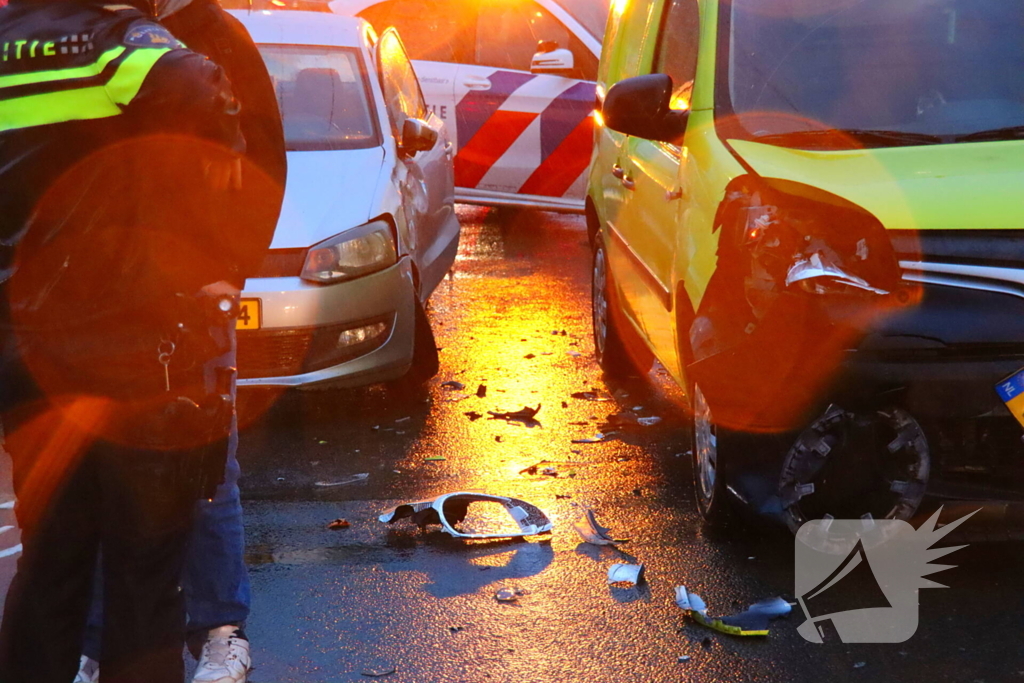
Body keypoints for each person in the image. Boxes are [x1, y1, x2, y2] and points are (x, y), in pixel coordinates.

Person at [0, 0, 276, 681]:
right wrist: (212, 259)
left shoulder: (8, 46)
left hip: (27, 359)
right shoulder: (121, 47)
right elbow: (203, 89)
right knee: (145, 579)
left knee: (49, 567)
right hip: (132, 359)